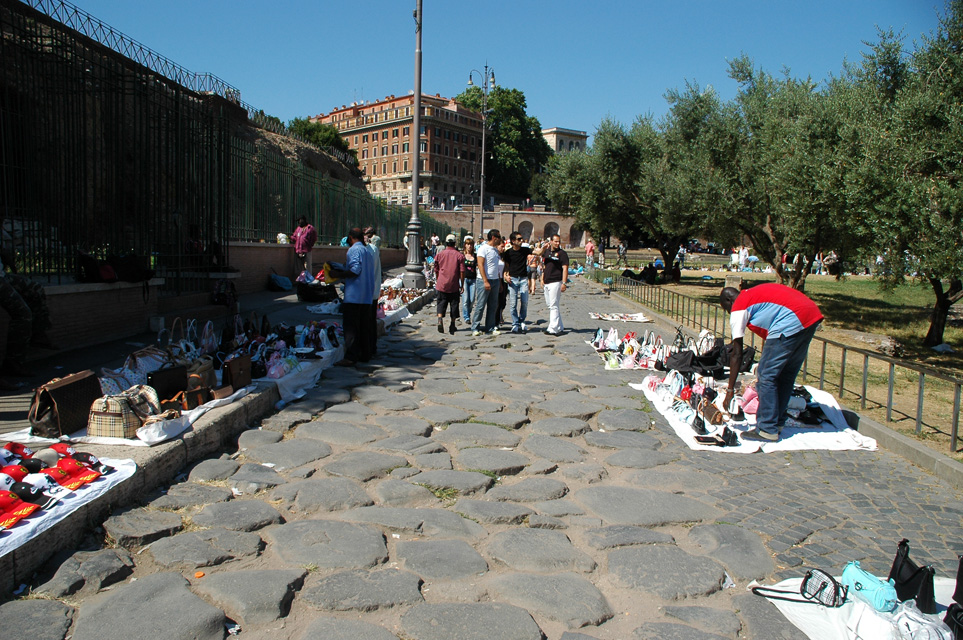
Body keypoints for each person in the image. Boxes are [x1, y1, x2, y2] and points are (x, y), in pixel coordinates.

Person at [720, 283, 823, 442]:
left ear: (729, 300)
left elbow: (737, 354)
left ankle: (767, 428)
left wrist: (730, 390)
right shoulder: (752, 296)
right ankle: (777, 423)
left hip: (790, 320)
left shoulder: (739, 307)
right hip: (810, 315)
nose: (729, 313)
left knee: (766, 376)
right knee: (786, 374)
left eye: (726, 309)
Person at [330, 228, 376, 366]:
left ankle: (351, 356)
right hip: (366, 296)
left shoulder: (353, 250)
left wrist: (337, 275)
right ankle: (365, 354)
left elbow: (355, 270)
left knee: (351, 328)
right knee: (363, 327)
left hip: (355, 296)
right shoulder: (367, 252)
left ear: (350, 238)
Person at [502, 232, 545, 334]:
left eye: (521, 238)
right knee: (513, 303)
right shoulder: (508, 253)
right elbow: (506, 266)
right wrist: (505, 275)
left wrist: (544, 247)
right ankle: (515, 323)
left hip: (523, 279)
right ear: (513, 241)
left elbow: (538, 253)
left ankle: (522, 321)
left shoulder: (525, 250)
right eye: (519, 239)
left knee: (524, 302)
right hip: (512, 279)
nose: (521, 241)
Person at [470, 229, 502, 336]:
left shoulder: (495, 250)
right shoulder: (483, 249)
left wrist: (499, 281)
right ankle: (475, 327)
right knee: (480, 305)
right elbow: (480, 265)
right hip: (484, 280)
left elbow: (496, 267)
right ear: (494, 237)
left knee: (493, 305)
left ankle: (490, 326)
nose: (500, 239)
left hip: (495, 280)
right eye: (499, 236)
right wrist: (485, 281)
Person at [433, 234, 464, 335]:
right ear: (455, 243)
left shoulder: (440, 254)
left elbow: (436, 268)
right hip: (454, 284)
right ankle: (452, 323)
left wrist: (438, 279)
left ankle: (440, 319)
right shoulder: (459, 256)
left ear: (446, 243)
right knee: (454, 304)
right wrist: (462, 284)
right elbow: (462, 271)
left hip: (442, 283)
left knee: (441, 302)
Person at [542, 234, 569, 336]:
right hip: (547, 281)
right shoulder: (547, 252)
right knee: (551, 305)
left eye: (559, 241)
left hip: (556, 281)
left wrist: (564, 282)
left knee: (553, 305)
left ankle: (553, 328)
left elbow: (565, 268)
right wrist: (541, 279)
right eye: (555, 241)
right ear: (551, 241)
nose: (557, 243)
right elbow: (545, 266)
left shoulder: (562, 254)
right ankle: (559, 326)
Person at [364, 226, 382, 357]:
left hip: (364, 294)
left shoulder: (366, 251)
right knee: (371, 321)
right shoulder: (374, 250)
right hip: (373, 291)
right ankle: (372, 347)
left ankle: (366, 350)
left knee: (365, 323)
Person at [461, 236, 477, 323]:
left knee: (472, 300)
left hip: (473, 279)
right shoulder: (462, 256)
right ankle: (466, 317)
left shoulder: (475, 256)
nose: (469, 246)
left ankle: (468, 312)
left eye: (471, 244)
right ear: (465, 245)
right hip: (464, 279)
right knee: (465, 299)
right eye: (467, 244)